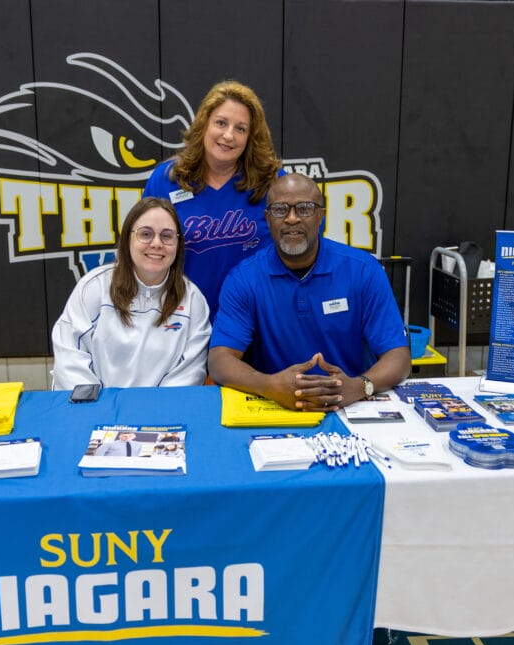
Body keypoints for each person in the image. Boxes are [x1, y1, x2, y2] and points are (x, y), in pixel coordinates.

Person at [208, 173, 411, 412]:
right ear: (268, 218)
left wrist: (359, 386)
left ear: (321, 215)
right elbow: (220, 361)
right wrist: (268, 385)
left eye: (304, 209)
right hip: (279, 406)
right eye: (280, 209)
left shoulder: (363, 270)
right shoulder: (244, 278)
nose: (292, 218)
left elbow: (398, 356)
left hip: (352, 405)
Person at [143, 80, 283, 319]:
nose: (228, 135)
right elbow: (140, 242)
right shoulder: (167, 179)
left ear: (251, 137)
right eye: (221, 123)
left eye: (241, 129)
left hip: (255, 318)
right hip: (184, 318)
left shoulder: (272, 181)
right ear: (204, 125)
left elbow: (305, 238)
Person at [51, 197, 210, 389]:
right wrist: (100, 412)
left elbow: (190, 374)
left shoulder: (192, 300)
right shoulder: (94, 287)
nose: (157, 243)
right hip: (98, 410)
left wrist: (152, 414)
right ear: (128, 238)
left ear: (178, 244)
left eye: (167, 236)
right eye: (146, 234)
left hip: (160, 414)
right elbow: (70, 359)